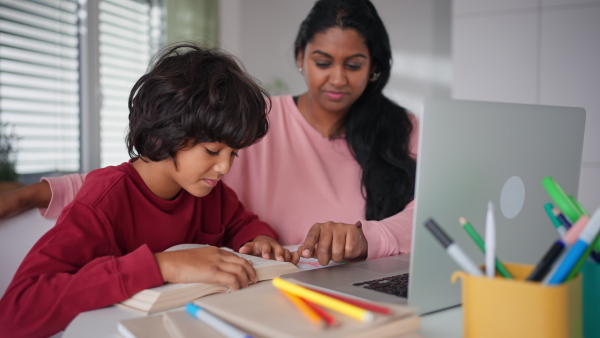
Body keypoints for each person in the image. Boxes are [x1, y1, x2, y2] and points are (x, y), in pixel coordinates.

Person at [0, 0, 418, 266]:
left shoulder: (402, 129)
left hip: (360, 277)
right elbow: (142, 176)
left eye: (355, 64)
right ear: (300, 57)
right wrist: (32, 193)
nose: (337, 79)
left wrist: (368, 237)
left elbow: (429, 216)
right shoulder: (251, 121)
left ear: (375, 67)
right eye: (323, 61)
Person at [0, 43, 295, 337]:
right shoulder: (105, 199)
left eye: (233, 154)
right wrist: (161, 266)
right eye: (213, 151)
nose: (225, 168)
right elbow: (14, 312)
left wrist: (259, 239)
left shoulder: (208, 191)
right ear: (159, 137)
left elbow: (241, 223)